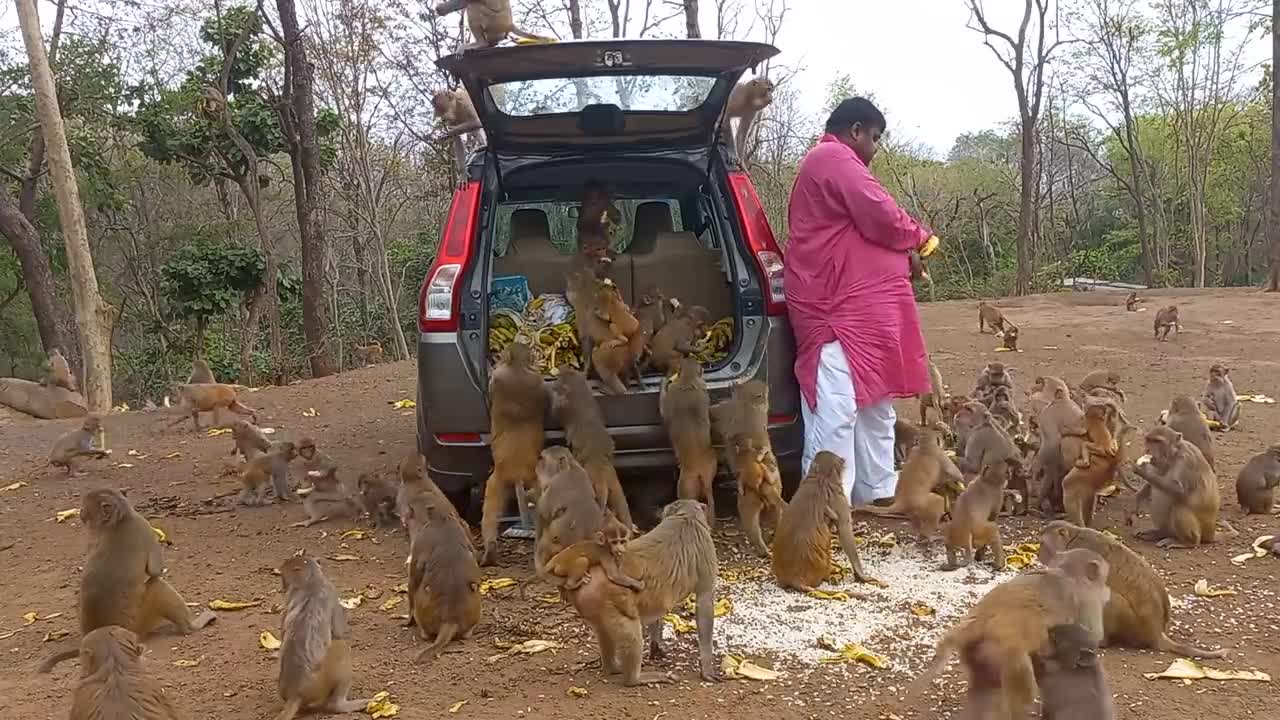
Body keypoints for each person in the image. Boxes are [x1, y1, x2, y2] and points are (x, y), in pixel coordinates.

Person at [784, 97, 937, 507]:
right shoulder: (831, 157)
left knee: (876, 408)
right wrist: (921, 239)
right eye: (874, 138)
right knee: (837, 411)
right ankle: (825, 508)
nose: (874, 149)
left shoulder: (832, 162)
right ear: (855, 131)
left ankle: (877, 497)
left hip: (863, 313)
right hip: (833, 309)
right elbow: (881, 214)